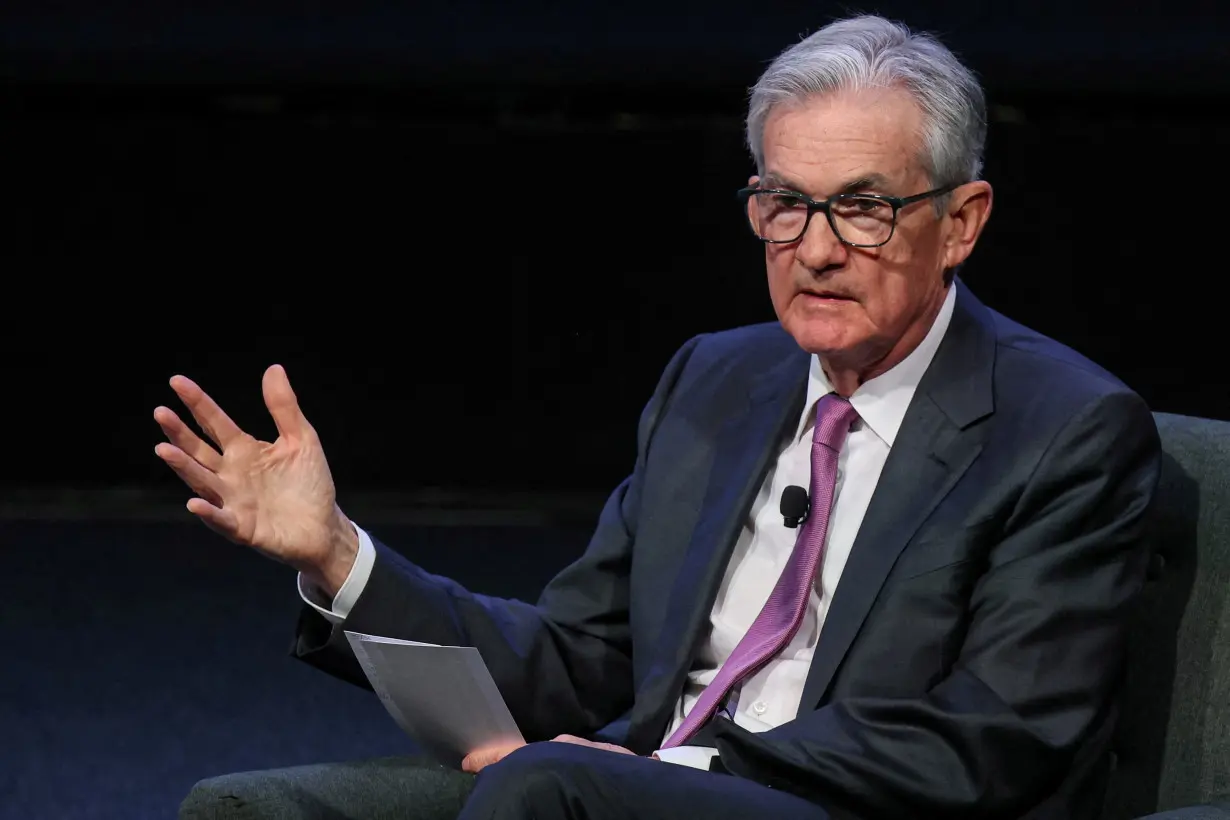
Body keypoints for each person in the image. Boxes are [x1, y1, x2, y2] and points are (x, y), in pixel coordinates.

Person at [163, 14, 1161, 820]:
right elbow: (576, 662)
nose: (813, 251)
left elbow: (996, 736)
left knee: (549, 785)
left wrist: (680, 774)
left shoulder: (1063, 429)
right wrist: (338, 553)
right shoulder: (716, 381)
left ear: (962, 221)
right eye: (784, 203)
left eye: (862, 208)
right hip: (623, 788)